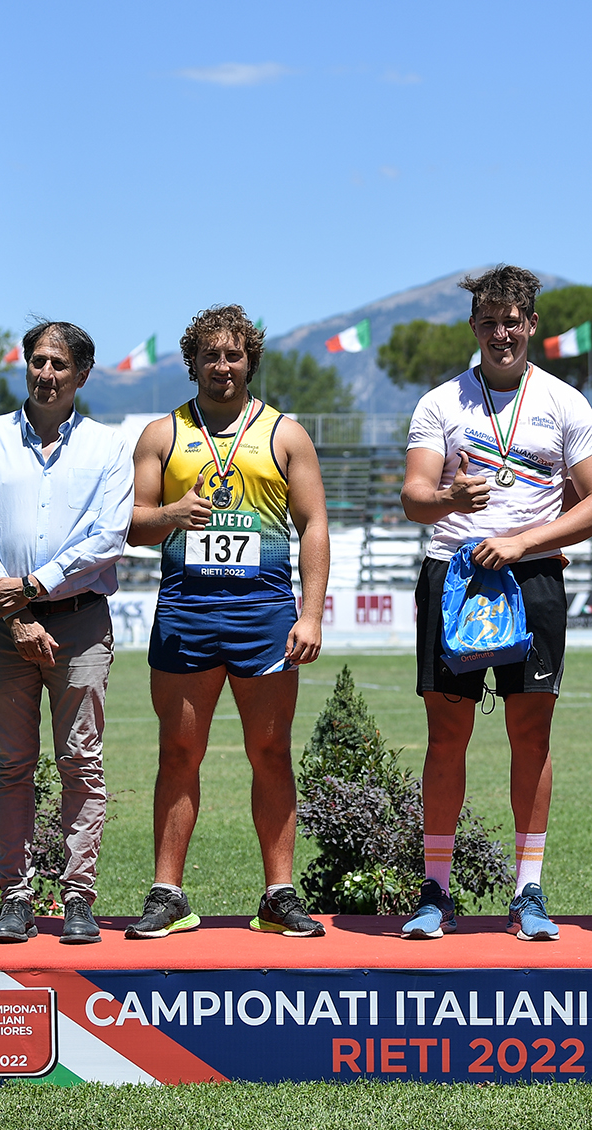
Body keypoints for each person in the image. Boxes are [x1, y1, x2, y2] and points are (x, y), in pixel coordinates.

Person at [398, 265, 592, 941]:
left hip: (533, 578)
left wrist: (525, 541)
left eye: (512, 321)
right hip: (455, 576)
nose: (502, 333)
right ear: (474, 326)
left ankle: (528, 891)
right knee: (447, 736)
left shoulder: (564, 402)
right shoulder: (441, 403)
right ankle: (436, 889)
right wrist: (448, 498)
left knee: (532, 735)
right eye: (490, 321)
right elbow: (413, 499)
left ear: (532, 325)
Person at [125, 306, 331, 939]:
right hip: (186, 610)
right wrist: (172, 513)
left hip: (263, 612)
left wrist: (311, 613)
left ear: (250, 362)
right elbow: (132, 524)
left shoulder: (286, 434)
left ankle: (278, 894)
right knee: (178, 751)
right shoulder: (162, 435)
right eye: (210, 355)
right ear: (193, 363)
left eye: (233, 355)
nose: (222, 366)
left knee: (270, 751)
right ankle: (167, 893)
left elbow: (313, 524)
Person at [0, 321, 133, 945]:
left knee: (81, 762)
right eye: (37, 361)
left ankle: (78, 898)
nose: (46, 374)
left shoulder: (108, 447)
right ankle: (16, 899)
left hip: (79, 623)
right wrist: (16, 613)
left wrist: (33, 586)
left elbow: (108, 536)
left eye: (59, 364)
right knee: (11, 765)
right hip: (1, 626)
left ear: (82, 374)